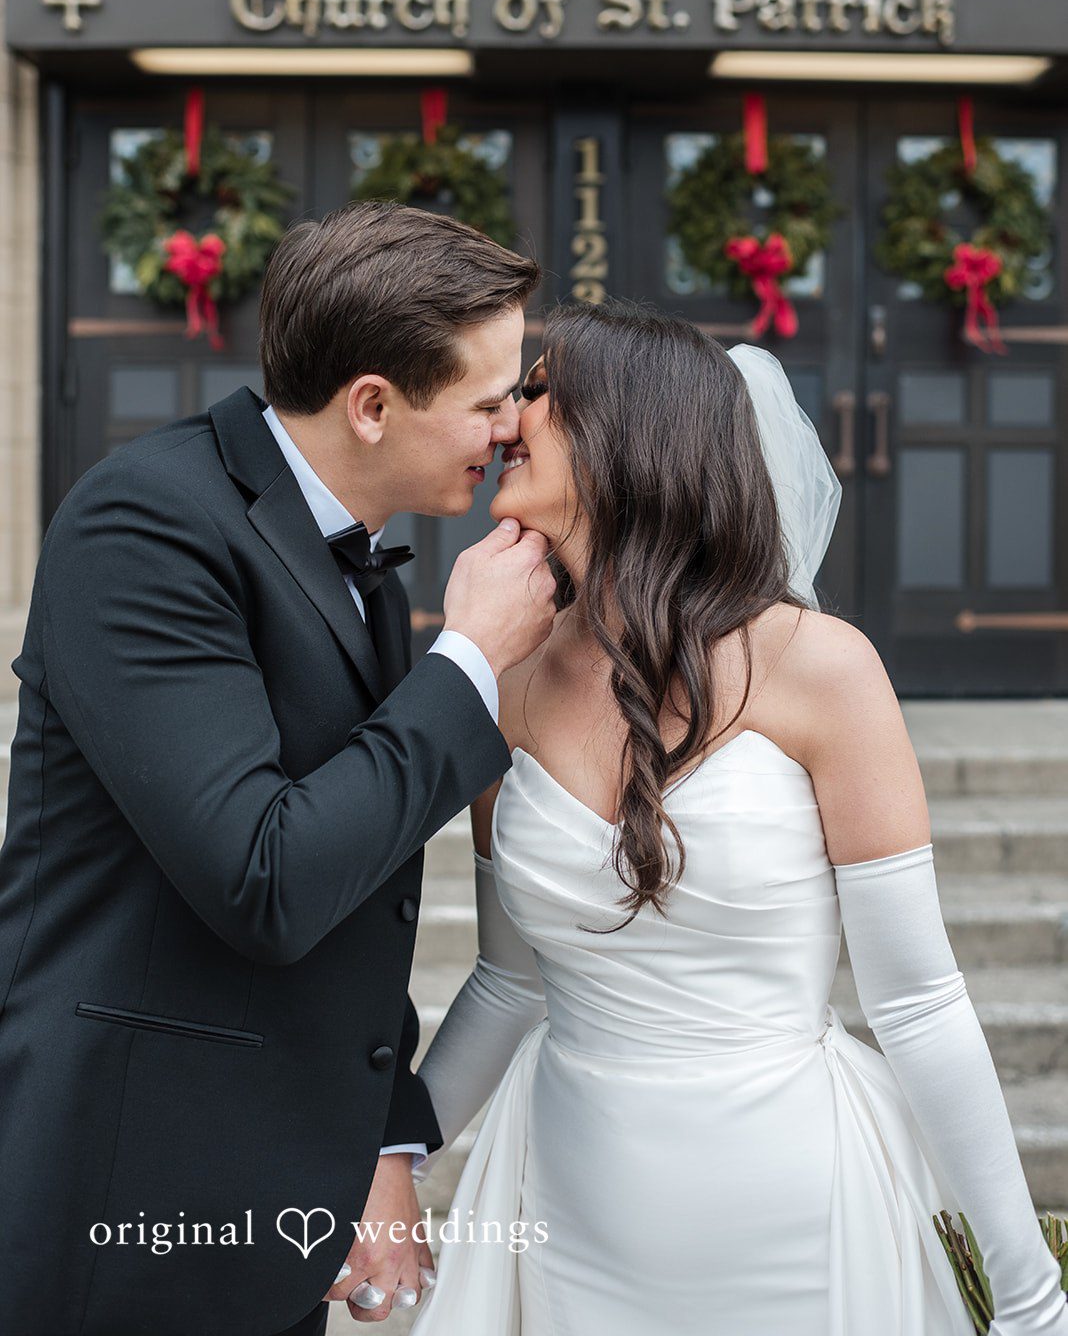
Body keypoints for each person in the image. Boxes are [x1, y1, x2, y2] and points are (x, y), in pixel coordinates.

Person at [408, 298, 1068, 1336]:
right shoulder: (507, 677)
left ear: (633, 433)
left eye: (538, 390)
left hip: (795, 1218)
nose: (505, 416)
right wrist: (391, 1156)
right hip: (574, 1207)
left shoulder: (824, 668)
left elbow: (919, 1001)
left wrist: (1030, 1297)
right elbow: (507, 980)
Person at [0, 200, 558, 1336]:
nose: (510, 427)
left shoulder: (354, 560)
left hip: (277, 1194)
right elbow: (268, 875)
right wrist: (470, 664)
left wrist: (384, 1137)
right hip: (129, 1193)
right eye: (490, 398)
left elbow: (358, 888)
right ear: (371, 404)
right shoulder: (146, 524)